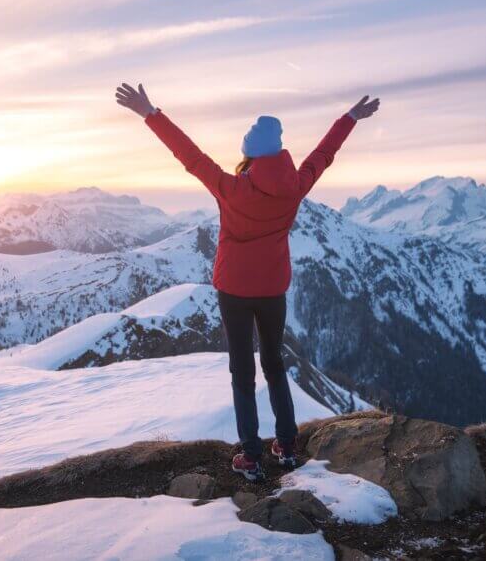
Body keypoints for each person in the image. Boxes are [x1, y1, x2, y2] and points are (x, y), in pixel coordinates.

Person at [115, 82, 379, 482]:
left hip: (234, 290)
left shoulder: (231, 188)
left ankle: (251, 456)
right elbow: (322, 156)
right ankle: (288, 446)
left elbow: (189, 155)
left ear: (249, 154)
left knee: (243, 370)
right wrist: (349, 120)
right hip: (272, 289)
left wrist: (150, 113)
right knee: (274, 364)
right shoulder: (295, 186)